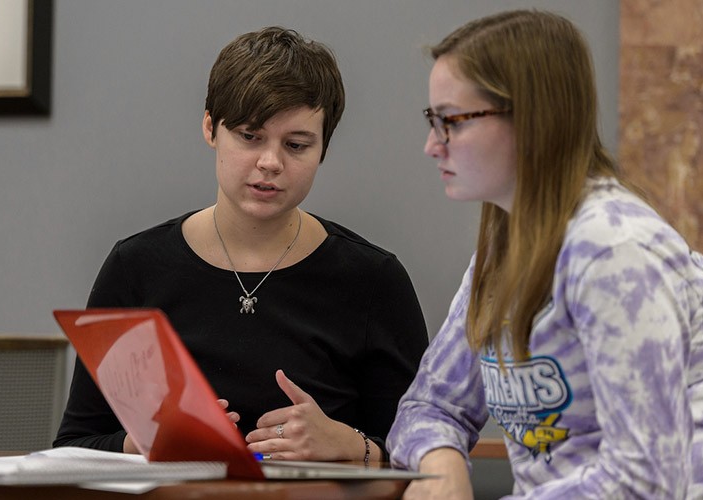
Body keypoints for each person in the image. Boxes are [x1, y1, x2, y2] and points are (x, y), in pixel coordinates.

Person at [54, 26, 428, 463]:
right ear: (211, 128)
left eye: (296, 145)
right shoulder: (136, 267)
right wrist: (143, 442)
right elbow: (74, 446)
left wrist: (352, 447)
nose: (270, 163)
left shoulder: (372, 279)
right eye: (250, 137)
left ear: (323, 148)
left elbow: (423, 453)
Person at [387, 9, 703, 499]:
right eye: (433, 121)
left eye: (451, 120)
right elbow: (430, 407)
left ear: (534, 118)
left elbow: (646, 478)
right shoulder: (506, 248)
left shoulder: (614, 252)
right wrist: (440, 463)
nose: (432, 145)